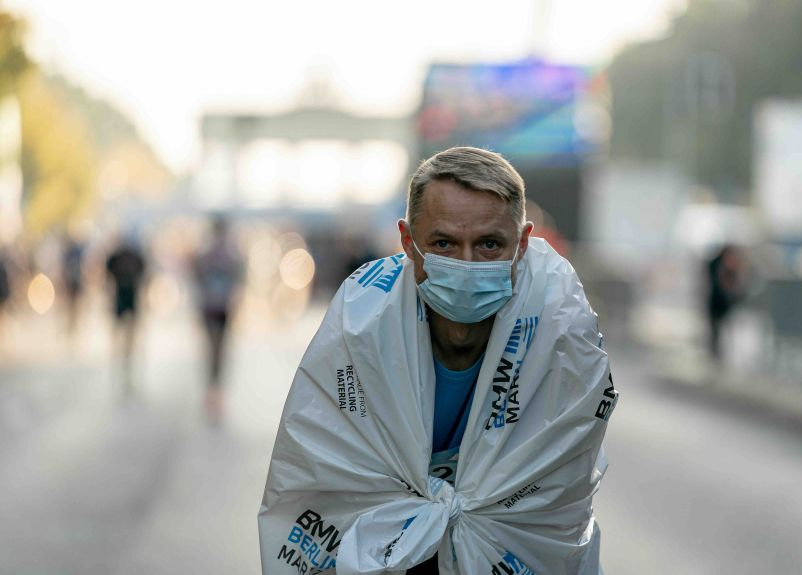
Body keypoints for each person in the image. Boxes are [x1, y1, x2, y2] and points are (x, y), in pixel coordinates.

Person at [260, 147, 614, 574]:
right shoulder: (362, 331)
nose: (466, 265)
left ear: (522, 244)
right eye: (444, 243)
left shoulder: (560, 336)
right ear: (408, 242)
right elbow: (323, 468)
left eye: (489, 244)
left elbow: (560, 490)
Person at [192, 217, 243, 421]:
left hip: (213, 308)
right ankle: (215, 390)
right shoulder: (230, 255)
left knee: (214, 350)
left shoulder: (207, 255)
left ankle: (213, 389)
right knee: (218, 350)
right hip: (219, 308)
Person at [105, 233, 147, 391]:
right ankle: (123, 359)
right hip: (126, 299)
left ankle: (123, 359)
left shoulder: (119, 257)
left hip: (125, 299)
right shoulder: (128, 257)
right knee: (125, 333)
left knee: (123, 333)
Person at [705, 243, 746, 361]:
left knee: (725, 331)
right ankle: (715, 355)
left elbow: (737, 289)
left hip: (726, 306)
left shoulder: (731, 268)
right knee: (715, 332)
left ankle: (720, 355)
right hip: (716, 304)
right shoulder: (715, 266)